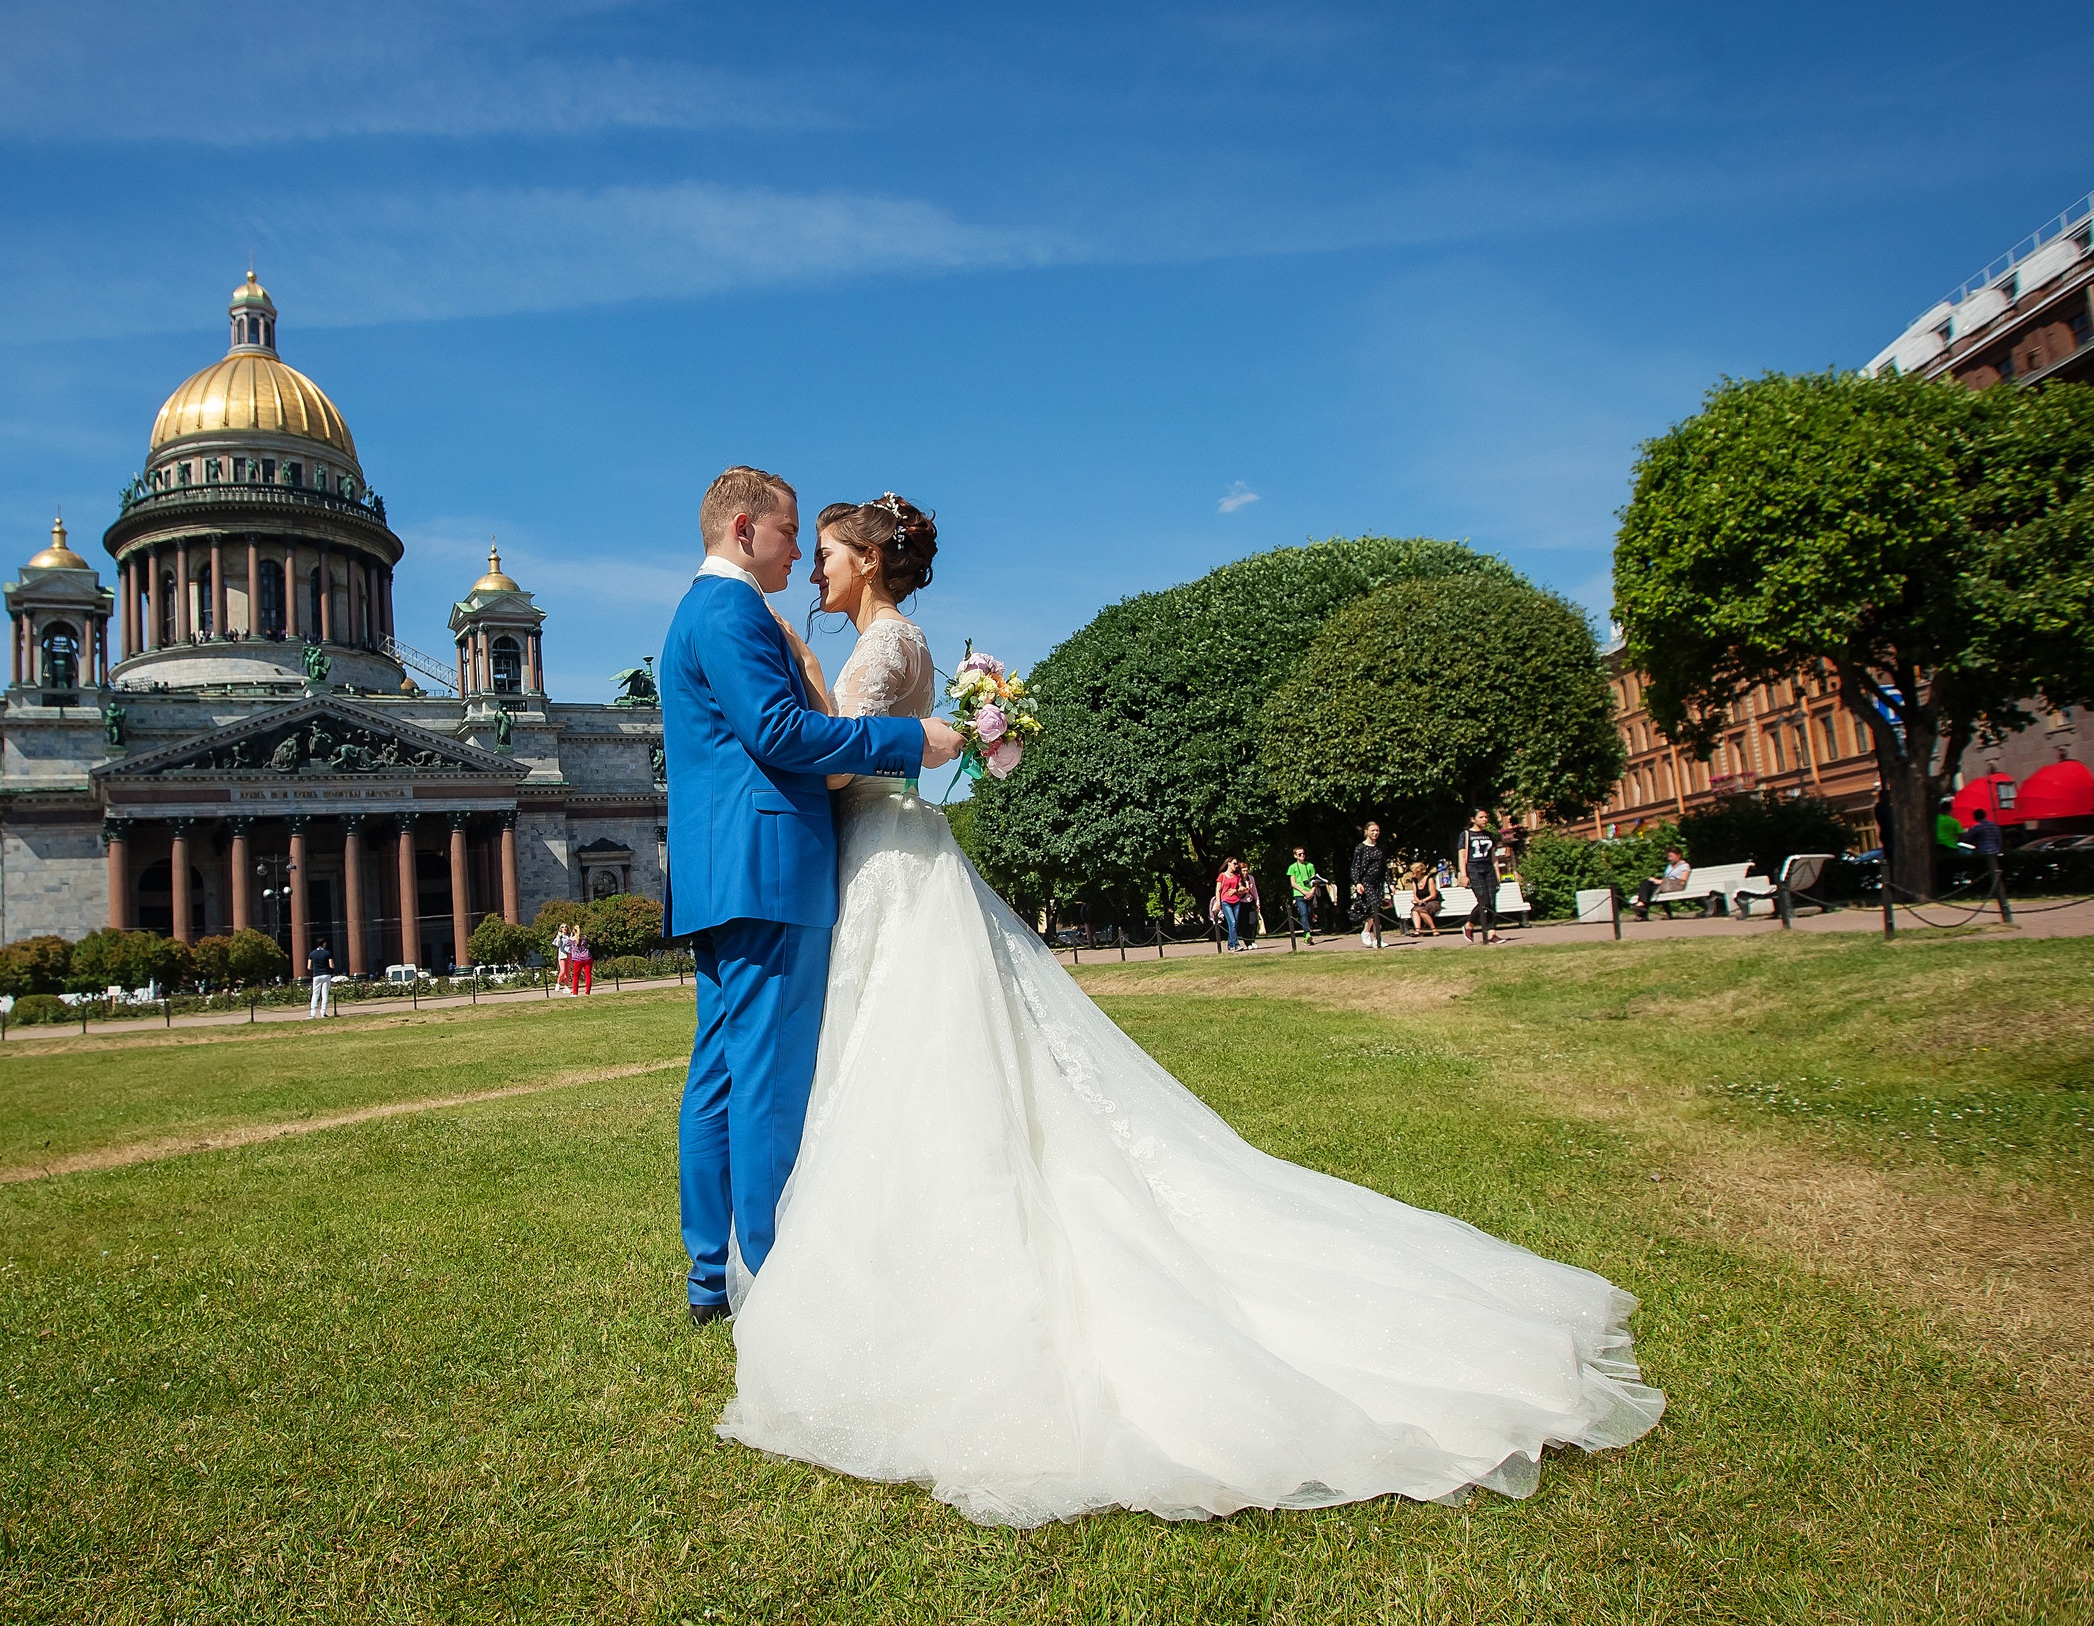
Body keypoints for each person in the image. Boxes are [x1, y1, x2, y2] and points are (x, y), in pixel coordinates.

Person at [716, 501, 1662, 1527]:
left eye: (825, 557)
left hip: (888, 854)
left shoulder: (886, 640)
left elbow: (847, 758)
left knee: (911, 1049)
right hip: (888, 854)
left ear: (865, 562)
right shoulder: (878, 640)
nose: (812, 573)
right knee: (909, 1054)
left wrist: (851, 711)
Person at [661, 467, 960, 1329]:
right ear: (746, 529)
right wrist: (914, 738)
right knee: (766, 1078)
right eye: (791, 533)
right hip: (769, 867)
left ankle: (711, 1271)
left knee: (717, 1073)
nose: (799, 548)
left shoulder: (704, 611)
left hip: (725, 872)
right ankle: (771, 1270)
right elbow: (783, 735)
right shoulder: (731, 610)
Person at [1458, 810, 1504, 944]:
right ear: (1473, 819)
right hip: (1474, 868)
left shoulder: (1489, 835)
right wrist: (1464, 874)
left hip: (1488, 868)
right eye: (1481, 817)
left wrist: (1497, 873)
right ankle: (1469, 924)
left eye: (1486, 817)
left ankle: (1492, 933)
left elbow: (1493, 856)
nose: (1484, 819)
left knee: (1492, 900)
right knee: (1483, 900)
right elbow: (1462, 855)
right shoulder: (1466, 835)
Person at [1350, 821, 1391, 950]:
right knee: (1374, 907)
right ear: (1366, 832)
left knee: (1377, 909)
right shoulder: (1360, 848)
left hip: (1378, 883)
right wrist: (1357, 883)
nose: (1375, 833)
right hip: (1365, 882)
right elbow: (1355, 867)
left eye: (1377, 830)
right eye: (1372, 830)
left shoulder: (1380, 847)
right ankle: (1367, 932)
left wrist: (1390, 883)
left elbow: (1384, 867)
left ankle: (1376, 938)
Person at [1632, 846, 1690, 920]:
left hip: (1674, 885)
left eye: (1671, 856)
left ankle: (1642, 911)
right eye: (1668, 856)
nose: (1669, 858)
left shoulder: (1684, 866)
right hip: (1664, 885)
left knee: (1648, 889)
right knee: (1646, 883)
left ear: (1679, 855)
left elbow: (1683, 880)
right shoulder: (1669, 866)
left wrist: (1660, 881)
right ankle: (1642, 905)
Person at [1210, 858, 1248, 952]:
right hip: (1226, 902)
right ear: (1229, 863)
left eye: (1237, 864)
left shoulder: (1237, 877)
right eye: (1234, 864)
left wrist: (1236, 890)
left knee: (1234, 923)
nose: (1236, 866)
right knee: (1232, 922)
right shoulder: (1222, 876)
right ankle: (1236, 944)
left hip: (1236, 901)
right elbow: (1218, 890)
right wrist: (1219, 903)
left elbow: (1241, 888)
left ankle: (1231, 945)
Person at [1285, 846, 1321, 940]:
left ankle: (1307, 931)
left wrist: (1312, 891)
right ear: (1295, 856)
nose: (1302, 855)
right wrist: (1304, 892)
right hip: (1299, 894)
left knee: (1309, 913)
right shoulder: (1292, 867)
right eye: (1299, 854)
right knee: (1303, 913)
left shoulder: (1310, 866)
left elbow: (1315, 881)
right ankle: (1307, 934)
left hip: (1310, 893)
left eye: (1303, 853)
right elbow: (1293, 883)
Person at [1405, 861, 1443, 936]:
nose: (1411, 874)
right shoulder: (1415, 881)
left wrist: (1423, 901)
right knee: (1414, 911)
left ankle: (1434, 929)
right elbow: (1415, 894)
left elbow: (1433, 895)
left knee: (1422, 911)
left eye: (1413, 872)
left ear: (1418, 871)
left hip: (1432, 902)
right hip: (1421, 903)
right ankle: (1417, 931)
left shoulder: (1429, 879)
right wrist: (1417, 901)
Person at [305, 940, 333, 1017]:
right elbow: (331, 965)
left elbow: (309, 967)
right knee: (325, 993)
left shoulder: (312, 954)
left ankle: (312, 1013)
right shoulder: (327, 953)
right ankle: (323, 1012)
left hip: (316, 975)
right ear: (323, 944)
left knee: (315, 994)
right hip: (326, 974)